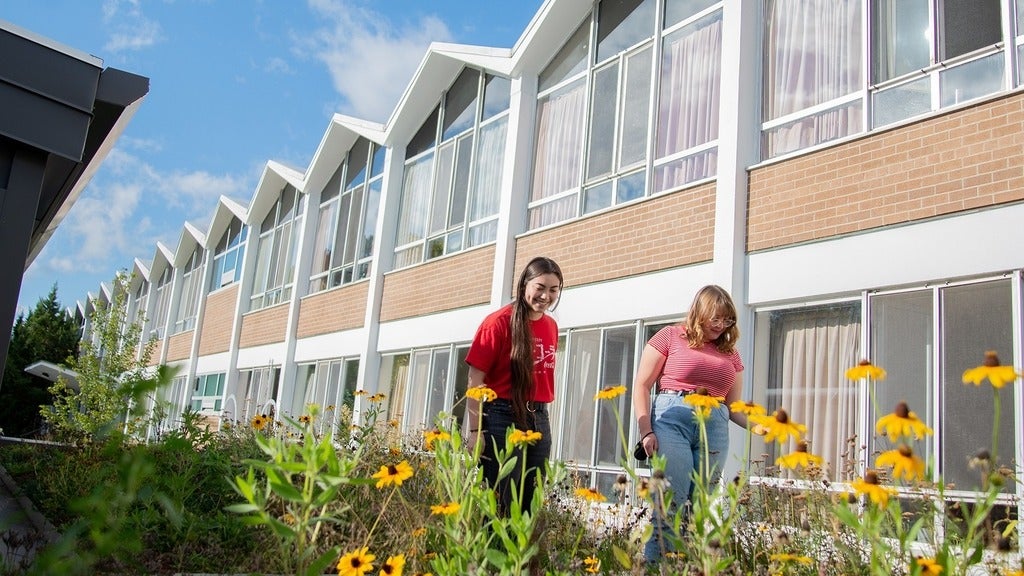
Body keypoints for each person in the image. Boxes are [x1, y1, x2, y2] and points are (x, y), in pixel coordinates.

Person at [631, 284, 749, 562]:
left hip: (715, 424)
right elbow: (642, 385)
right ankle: (656, 566)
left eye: (727, 319)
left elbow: (734, 406)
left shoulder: (730, 352)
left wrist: (763, 426)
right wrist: (645, 430)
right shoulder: (670, 336)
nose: (721, 325)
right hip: (672, 418)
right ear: (699, 312)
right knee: (671, 497)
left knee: (700, 504)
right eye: (715, 318)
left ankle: (687, 564)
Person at [464, 256, 563, 516]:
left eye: (553, 289)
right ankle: (491, 555)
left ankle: (521, 558)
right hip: (501, 417)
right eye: (540, 287)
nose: (546, 295)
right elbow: (475, 380)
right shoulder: (497, 323)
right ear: (524, 286)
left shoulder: (552, 326)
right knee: (501, 500)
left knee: (531, 500)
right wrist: (475, 431)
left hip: (539, 418)